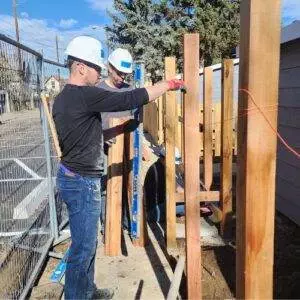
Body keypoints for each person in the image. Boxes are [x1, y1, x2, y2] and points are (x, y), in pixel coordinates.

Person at [52, 35, 185, 300]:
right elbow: (130, 99)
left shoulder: (64, 98)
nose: (98, 72)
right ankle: (78, 296)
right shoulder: (85, 95)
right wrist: (168, 84)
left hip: (71, 176)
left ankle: (87, 292)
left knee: (86, 246)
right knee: (83, 248)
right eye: (95, 67)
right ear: (80, 67)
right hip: (81, 183)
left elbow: (85, 135)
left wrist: (120, 128)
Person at [98, 48, 135, 232]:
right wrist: (102, 137)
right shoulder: (98, 91)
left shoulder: (129, 91)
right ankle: (110, 225)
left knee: (129, 184)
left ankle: (127, 222)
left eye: (125, 74)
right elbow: (90, 123)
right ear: (109, 67)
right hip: (107, 149)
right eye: (119, 73)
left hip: (127, 146)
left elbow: (136, 119)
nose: (122, 78)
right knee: (108, 186)